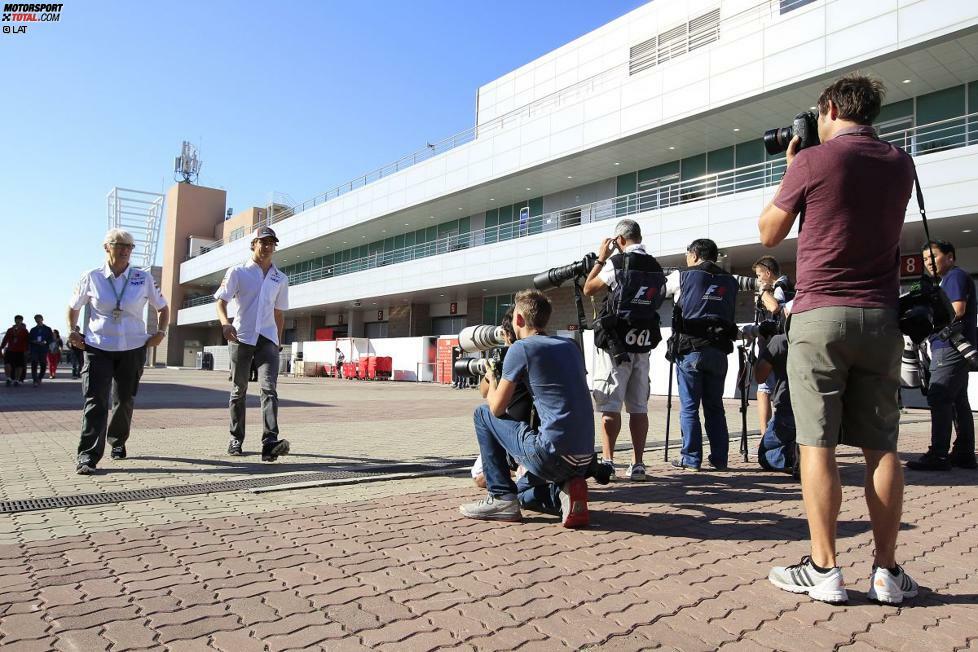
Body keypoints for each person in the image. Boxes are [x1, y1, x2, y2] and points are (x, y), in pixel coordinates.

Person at [760, 74, 918, 605]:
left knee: (817, 442)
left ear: (829, 107)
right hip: (881, 315)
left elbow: (769, 233)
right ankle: (888, 571)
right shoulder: (900, 162)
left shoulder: (813, 161)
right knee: (882, 446)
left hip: (820, 314)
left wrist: (791, 167)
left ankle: (825, 568)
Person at [460, 289, 593, 528]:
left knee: (482, 413)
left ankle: (501, 498)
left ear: (519, 319)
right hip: (583, 457)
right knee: (521, 492)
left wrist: (491, 377)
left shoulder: (520, 348)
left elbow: (497, 409)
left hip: (552, 454)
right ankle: (565, 496)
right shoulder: (571, 346)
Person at [68, 229, 169, 474]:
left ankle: (117, 441)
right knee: (96, 400)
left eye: (129, 246)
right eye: (119, 245)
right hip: (97, 346)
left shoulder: (142, 278)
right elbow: (73, 306)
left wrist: (161, 333)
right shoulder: (91, 277)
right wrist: (72, 329)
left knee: (124, 400)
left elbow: (163, 307)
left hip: (133, 347)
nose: (125, 250)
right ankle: (88, 456)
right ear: (107, 247)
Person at [583, 218, 666, 481]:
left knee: (610, 406)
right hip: (642, 343)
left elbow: (589, 288)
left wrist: (600, 258)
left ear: (619, 240)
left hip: (615, 345)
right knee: (638, 406)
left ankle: (608, 461)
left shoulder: (617, 263)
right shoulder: (656, 266)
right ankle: (638, 464)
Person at [664, 238, 754, 471]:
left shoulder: (682, 276)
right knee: (715, 407)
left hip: (690, 350)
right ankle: (720, 459)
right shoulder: (731, 281)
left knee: (689, 406)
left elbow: (658, 293)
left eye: (687, 254)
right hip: (719, 352)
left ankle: (691, 458)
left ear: (694, 255)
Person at [215, 226, 291, 462]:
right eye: (263, 242)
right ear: (253, 244)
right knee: (239, 390)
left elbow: (279, 313)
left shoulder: (280, 278)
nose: (267, 246)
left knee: (269, 388)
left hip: (268, 339)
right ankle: (236, 438)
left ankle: (270, 441)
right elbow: (221, 301)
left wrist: (278, 340)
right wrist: (225, 324)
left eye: (271, 243)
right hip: (241, 337)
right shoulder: (238, 272)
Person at [907, 240, 977, 471]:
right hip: (953, 348)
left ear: (950, 257)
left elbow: (958, 310)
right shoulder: (943, 281)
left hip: (949, 347)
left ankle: (938, 455)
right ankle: (964, 453)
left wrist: (924, 323)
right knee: (958, 400)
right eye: (925, 259)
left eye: (933, 257)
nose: (929, 262)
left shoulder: (954, 277)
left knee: (939, 396)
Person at [752, 256, 791, 431]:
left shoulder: (779, 287)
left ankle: (765, 438)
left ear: (768, 273)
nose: (758, 279)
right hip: (788, 343)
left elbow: (775, 308)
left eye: (760, 275)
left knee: (763, 389)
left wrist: (763, 293)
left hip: (775, 346)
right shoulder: (789, 286)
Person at [754, 332, 796, 474]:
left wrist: (763, 349)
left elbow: (760, 377)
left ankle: (796, 453)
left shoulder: (779, 341)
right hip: (818, 409)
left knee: (763, 456)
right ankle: (804, 449)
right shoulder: (820, 336)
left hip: (787, 411)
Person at [2, 315, 29, 387]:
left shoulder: (24, 331)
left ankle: (17, 380)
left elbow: (27, 341)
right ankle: (8, 378)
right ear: (14, 320)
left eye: (19, 320)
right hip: (10, 349)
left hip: (20, 350)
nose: (18, 321)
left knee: (19, 366)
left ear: (22, 321)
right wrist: (2, 347)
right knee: (7, 364)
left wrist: (27, 350)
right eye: (17, 320)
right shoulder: (10, 330)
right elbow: (5, 339)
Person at [28, 314, 53, 387]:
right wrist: (34, 341)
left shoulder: (47, 329)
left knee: (43, 364)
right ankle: (35, 379)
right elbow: (29, 339)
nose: (37, 320)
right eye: (36, 319)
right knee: (34, 363)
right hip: (35, 349)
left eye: (39, 318)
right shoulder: (33, 330)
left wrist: (45, 342)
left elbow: (51, 339)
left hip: (43, 349)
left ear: (42, 319)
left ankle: (40, 377)